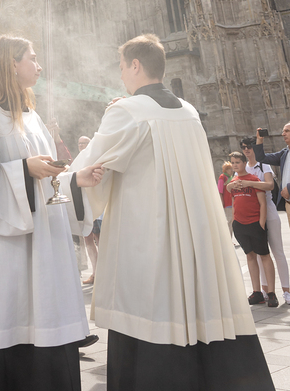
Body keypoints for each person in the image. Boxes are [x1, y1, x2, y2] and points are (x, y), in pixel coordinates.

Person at [70, 33, 274, 391]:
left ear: (136, 65)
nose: (120, 75)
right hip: (197, 242)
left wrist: (61, 184)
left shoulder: (126, 111)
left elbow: (90, 170)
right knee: (200, 311)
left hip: (148, 244)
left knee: (153, 314)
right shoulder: (188, 111)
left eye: (122, 67)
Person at [0, 36, 103, 391]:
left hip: (45, 256)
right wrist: (23, 170)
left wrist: (74, 181)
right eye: (32, 58)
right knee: (13, 335)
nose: (39, 66)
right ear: (11, 64)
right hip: (7, 262)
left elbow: (46, 181)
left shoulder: (33, 118)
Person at [236, 138, 290, 303]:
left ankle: (287, 290)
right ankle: (265, 290)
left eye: (249, 147)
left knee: (277, 251)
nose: (246, 149)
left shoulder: (263, 164)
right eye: (243, 147)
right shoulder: (242, 167)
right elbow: (235, 186)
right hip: (253, 213)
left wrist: (249, 183)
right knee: (260, 253)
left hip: (269, 209)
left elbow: (270, 186)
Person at [227, 151, 277, 307]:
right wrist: (234, 221)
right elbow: (233, 201)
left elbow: (262, 203)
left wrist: (261, 223)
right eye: (232, 163)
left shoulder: (254, 180)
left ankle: (271, 293)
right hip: (240, 224)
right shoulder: (233, 182)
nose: (235, 165)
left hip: (255, 223)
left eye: (237, 162)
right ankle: (257, 292)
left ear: (244, 163)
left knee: (265, 256)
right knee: (250, 256)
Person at [253, 123, 290, 229]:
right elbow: (261, 158)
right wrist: (259, 141)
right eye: (283, 131)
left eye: (287, 131)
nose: (283, 134)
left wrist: (288, 188)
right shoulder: (285, 153)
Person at [77, 135, 98, 285]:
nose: (82, 145)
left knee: (100, 238)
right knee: (88, 238)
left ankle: (104, 273)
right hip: (84, 204)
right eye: (79, 143)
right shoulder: (78, 160)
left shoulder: (95, 157)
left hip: (96, 203)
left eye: (85, 143)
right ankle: (95, 273)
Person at [217, 160, 234, 235]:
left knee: (232, 221)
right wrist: (222, 202)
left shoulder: (231, 177)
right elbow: (220, 191)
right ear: (226, 170)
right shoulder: (222, 177)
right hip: (227, 203)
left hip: (232, 202)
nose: (232, 170)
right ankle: (228, 238)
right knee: (228, 221)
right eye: (230, 169)